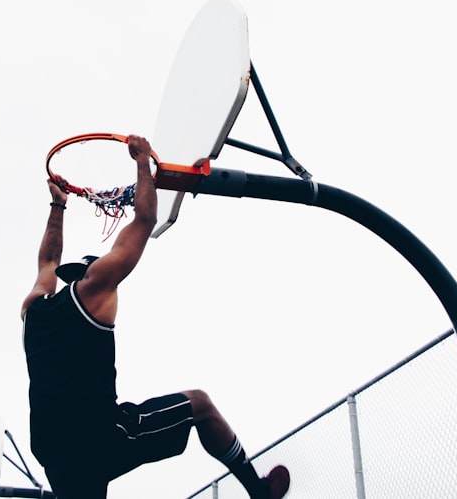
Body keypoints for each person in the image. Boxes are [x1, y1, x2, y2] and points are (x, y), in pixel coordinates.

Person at [21, 134, 290, 499]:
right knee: (200, 405)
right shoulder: (96, 287)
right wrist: (141, 161)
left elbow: (47, 261)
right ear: (93, 271)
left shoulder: (33, 309)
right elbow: (145, 219)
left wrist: (58, 206)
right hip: (99, 435)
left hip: (54, 451)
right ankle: (257, 491)